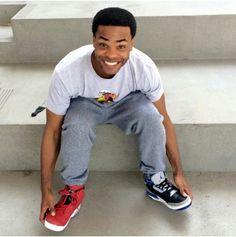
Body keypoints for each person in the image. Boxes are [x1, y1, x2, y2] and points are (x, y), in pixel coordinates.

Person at [39, 7, 193, 232]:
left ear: (132, 44)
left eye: (121, 46)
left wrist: (178, 172)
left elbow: (165, 120)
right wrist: (46, 190)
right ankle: (73, 190)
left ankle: (155, 180)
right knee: (76, 124)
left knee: (152, 117)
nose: (111, 54)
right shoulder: (67, 71)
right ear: (93, 40)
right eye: (103, 44)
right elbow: (52, 130)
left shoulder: (144, 68)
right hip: (85, 104)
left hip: (128, 103)